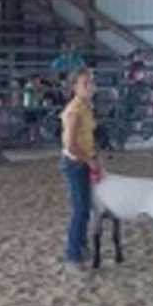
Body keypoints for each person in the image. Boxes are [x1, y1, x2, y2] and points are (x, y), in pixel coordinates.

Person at [59, 67, 101, 276]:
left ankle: (80, 247)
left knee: (84, 208)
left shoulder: (85, 106)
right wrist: (89, 161)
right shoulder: (75, 110)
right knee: (81, 209)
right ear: (75, 87)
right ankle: (72, 256)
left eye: (91, 82)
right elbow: (70, 145)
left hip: (82, 161)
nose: (90, 86)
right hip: (75, 163)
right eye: (85, 83)